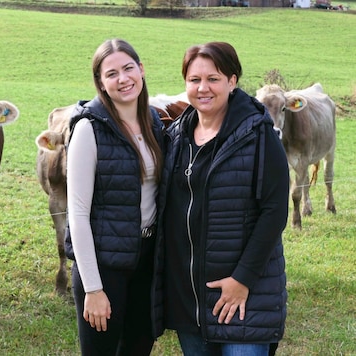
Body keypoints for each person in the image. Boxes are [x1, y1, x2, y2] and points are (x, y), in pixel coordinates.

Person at [158, 41, 289, 355]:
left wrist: (242, 280)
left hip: (245, 298)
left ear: (232, 81)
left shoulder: (259, 136)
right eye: (194, 80)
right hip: (191, 299)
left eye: (213, 79)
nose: (203, 88)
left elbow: (274, 212)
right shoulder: (176, 137)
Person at [64, 38, 165, 355]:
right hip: (104, 264)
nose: (123, 79)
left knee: (138, 349)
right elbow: (77, 214)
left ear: (142, 70)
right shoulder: (88, 130)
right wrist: (93, 288)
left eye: (128, 68)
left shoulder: (155, 123)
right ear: (101, 83)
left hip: (147, 260)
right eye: (111, 74)